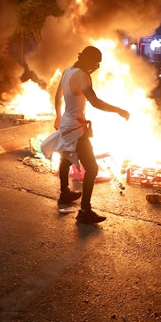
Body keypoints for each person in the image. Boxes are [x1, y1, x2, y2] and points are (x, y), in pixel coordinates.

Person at [41, 46, 130, 224]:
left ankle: (65, 194)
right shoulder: (81, 76)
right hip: (75, 128)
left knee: (66, 159)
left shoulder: (68, 71)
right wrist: (118, 110)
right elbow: (95, 102)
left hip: (68, 123)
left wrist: (58, 116)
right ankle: (84, 211)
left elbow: (57, 97)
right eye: (95, 62)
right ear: (88, 60)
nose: (96, 66)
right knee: (92, 168)